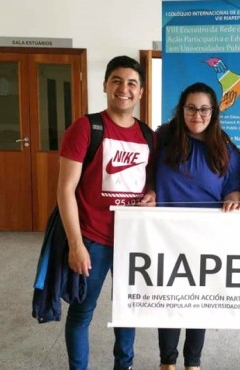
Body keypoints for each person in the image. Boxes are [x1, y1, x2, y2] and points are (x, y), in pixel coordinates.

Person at [57, 55, 156, 370]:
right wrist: (76, 244)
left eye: (131, 83)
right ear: (105, 86)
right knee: (82, 312)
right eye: (117, 81)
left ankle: (123, 365)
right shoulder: (86, 128)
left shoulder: (148, 136)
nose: (123, 89)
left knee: (127, 310)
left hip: (132, 241)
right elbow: (65, 190)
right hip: (93, 240)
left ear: (140, 92)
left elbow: (150, 186)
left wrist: (151, 196)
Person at [155, 82, 240, 370]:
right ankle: (167, 362)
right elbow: (144, 176)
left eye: (204, 108)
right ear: (181, 110)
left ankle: (193, 363)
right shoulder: (162, 140)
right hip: (164, 237)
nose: (197, 115)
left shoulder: (227, 150)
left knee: (198, 301)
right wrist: (149, 191)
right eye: (191, 108)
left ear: (214, 111)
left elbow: (232, 189)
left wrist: (233, 200)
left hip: (206, 239)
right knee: (168, 299)